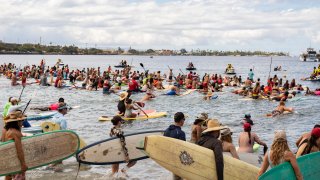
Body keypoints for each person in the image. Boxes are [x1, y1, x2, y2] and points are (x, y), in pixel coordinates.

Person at [1, 111, 28, 180]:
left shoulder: (4, 130)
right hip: (15, 161)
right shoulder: (15, 133)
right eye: (22, 121)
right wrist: (23, 164)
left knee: (8, 177)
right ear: (17, 122)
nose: (22, 122)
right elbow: (19, 150)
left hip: (7, 159)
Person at [164, 112, 186, 180]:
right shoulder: (181, 133)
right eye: (184, 119)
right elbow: (183, 149)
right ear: (181, 120)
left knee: (175, 176)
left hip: (169, 158)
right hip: (177, 159)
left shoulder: (166, 130)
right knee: (178, 177)